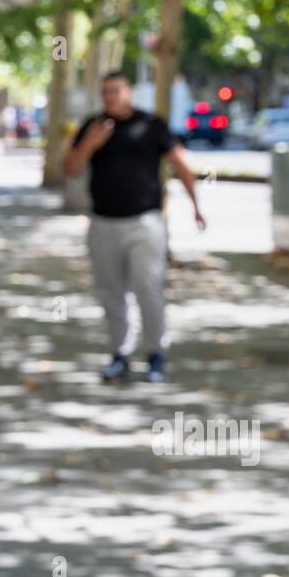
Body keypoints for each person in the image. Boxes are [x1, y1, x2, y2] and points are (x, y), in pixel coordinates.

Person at [63, 72, 205, 382]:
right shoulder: (93, 126)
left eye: (115, 90)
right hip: (103, 223)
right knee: (111, 291)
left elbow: (180, 164)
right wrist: (89, 143)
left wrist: (196, 206)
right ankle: (119, 354)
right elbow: (71, 168)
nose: (110, 97)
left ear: (129, 92)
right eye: (105, 92)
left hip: (145, 222)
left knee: (148, 287)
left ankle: (156, 354)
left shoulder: (152, 124)